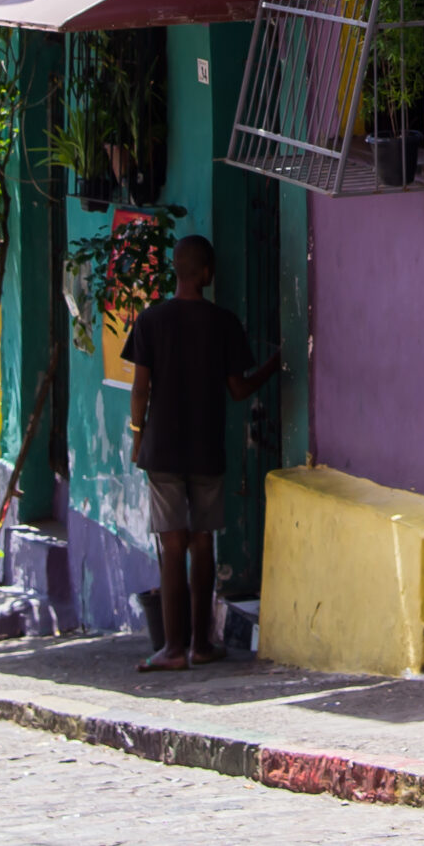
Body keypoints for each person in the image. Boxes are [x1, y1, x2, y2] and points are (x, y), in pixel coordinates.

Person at [122, 234, 279, 673]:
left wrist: (138, 435)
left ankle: (172, 650)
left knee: (172, 546)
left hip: (162, 450)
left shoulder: (150, 321)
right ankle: (201, 646)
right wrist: (274, 366)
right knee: (202, 542)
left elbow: (140, 390)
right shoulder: (223, 322)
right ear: (206, 272)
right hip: (206, 448)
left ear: (176, 270)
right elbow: (238, 388)